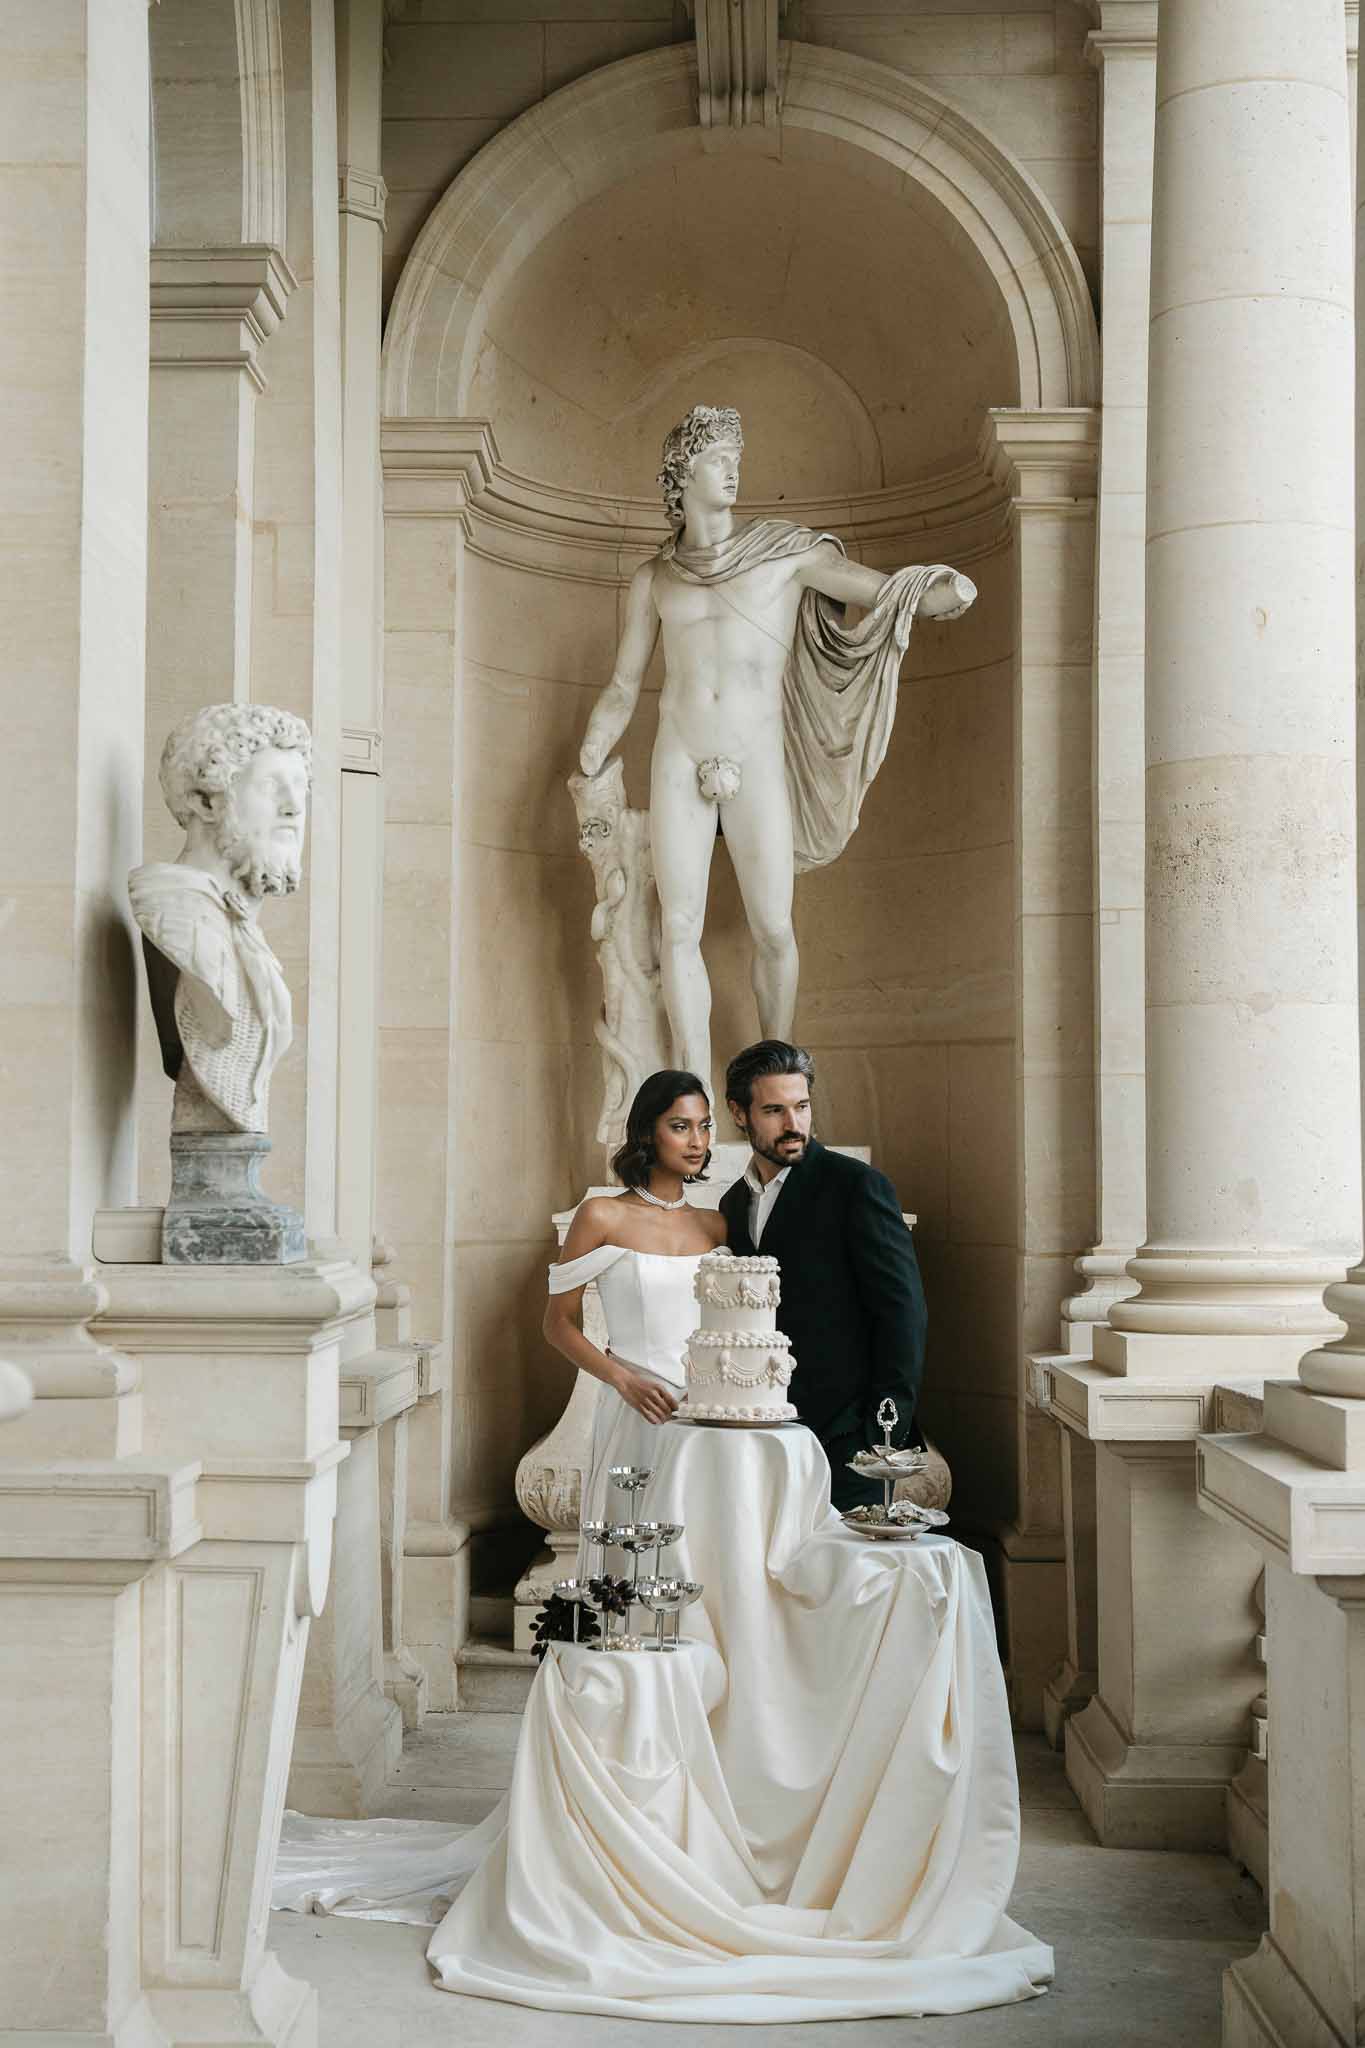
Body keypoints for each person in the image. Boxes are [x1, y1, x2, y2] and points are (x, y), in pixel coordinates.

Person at [577, 403, 977, 1094]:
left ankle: (776, 1079)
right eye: (716, 458)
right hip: (679, 754)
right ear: (681, 473)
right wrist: (591, 751)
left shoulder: (784, 555)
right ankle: (689, 1092)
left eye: (736, 455)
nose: (732, 468)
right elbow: (622, 682)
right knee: (676, 926)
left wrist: (932, 594)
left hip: (755, 757)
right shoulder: (655, 578)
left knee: (771, 926)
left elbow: (879, 594)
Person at [719, 1038, 927, 1512]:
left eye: (802, 1106)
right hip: (765, 1437)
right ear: (739, 1112)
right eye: (774, 1110)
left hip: (850, 1440)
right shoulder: (733, 1204)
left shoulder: (857, 1186)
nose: (794, 1125)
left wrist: (881, 1433)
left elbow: (903, 1314)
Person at [542, 1068, 725, 1521]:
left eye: (704, 1126)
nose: (697, 1141)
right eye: (680, 1127)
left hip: (703, 1412)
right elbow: (557, 1324)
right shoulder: (602, 1215)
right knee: (631, 1545)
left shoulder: (715, 1224)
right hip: (635, 1410)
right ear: (647, 1131)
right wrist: (623, 1381)